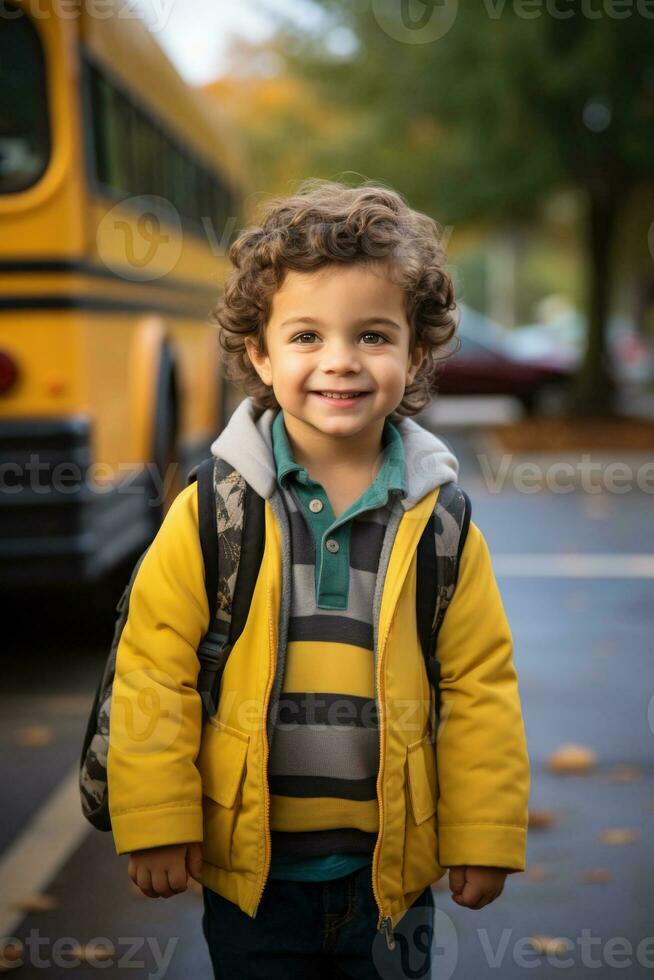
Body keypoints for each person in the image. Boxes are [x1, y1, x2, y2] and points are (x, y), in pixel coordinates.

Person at [107, 179, 530, 979]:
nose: (340, 361)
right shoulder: (214, 510)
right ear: (260, 354)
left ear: (415, 352)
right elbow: (152, 668)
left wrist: (482, 832)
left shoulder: (439, 519)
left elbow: (479, 683)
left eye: (373, 335)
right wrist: (159, 817)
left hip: (391, 879)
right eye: (306, 336)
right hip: (251, 880)